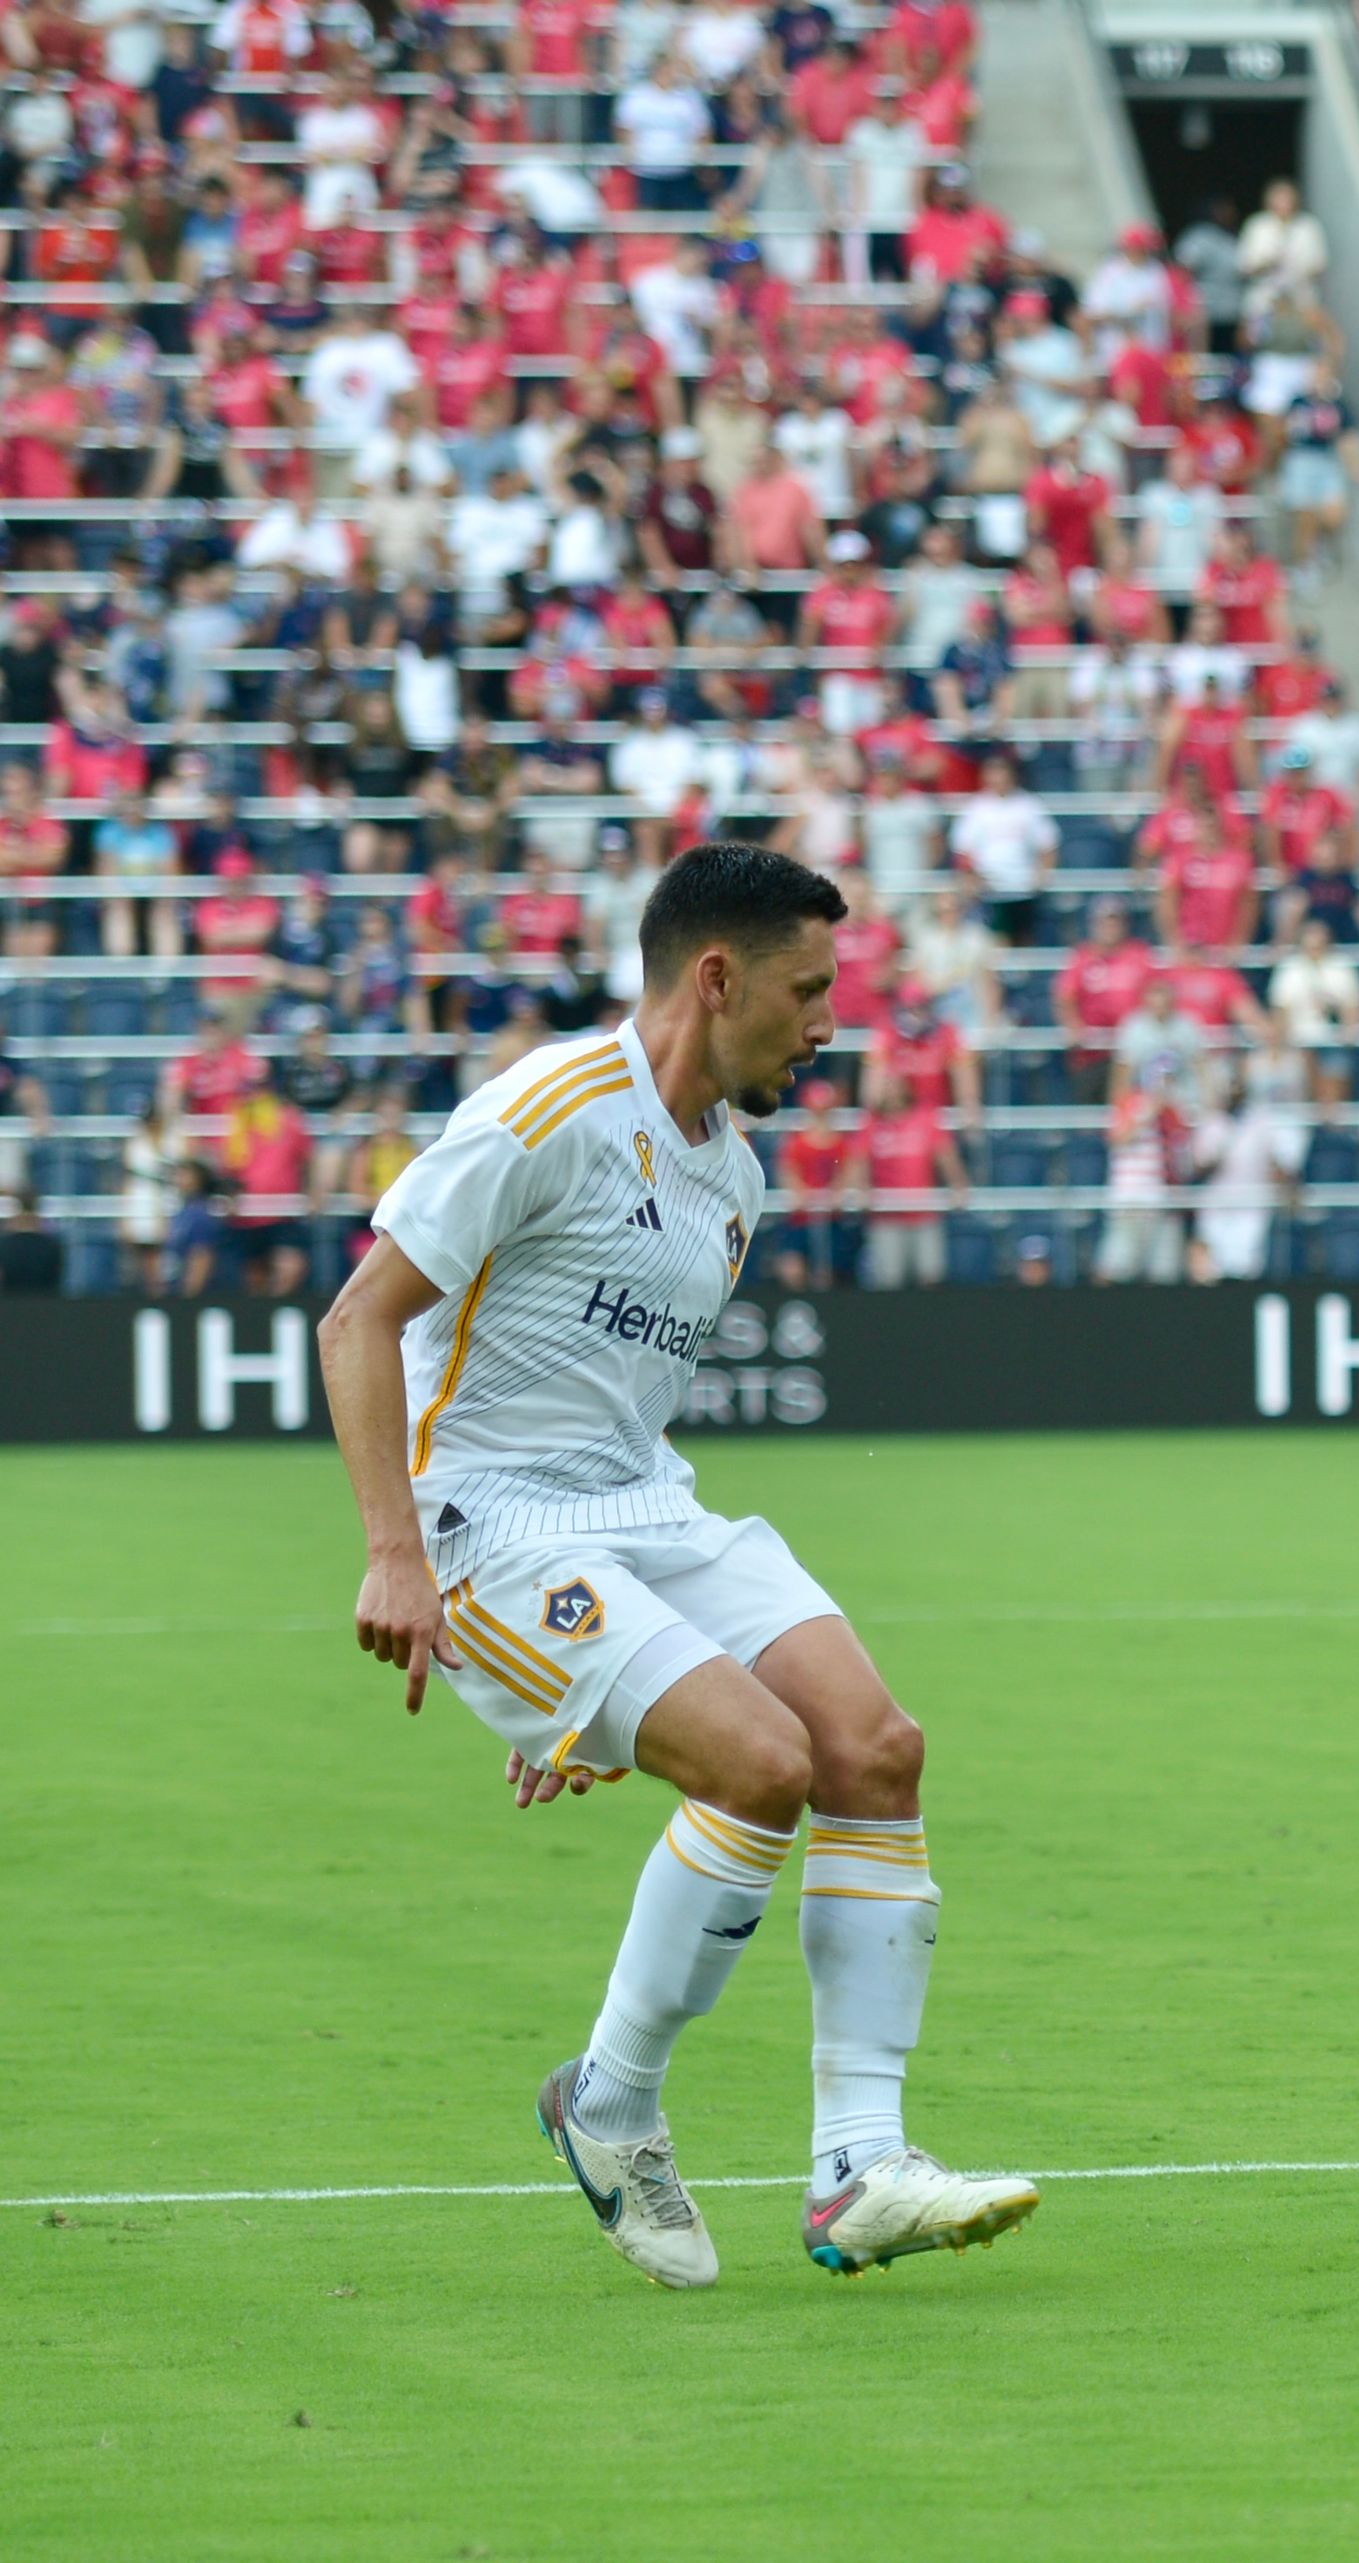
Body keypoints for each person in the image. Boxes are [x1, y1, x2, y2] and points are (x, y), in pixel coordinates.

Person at [312, 843, 1039, 2293]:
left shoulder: (734, 1174)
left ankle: (858, 2171)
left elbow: (615, 1413)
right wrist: (395, 1554)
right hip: (486, 1529)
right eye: (809, 988)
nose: (830, 1021)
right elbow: (356, 1321)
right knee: (760, 1765)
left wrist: (606, 1685)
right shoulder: (547, 1109)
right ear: (718, 979)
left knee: (875, 1749)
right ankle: (612, 2102)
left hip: (641, 1514)